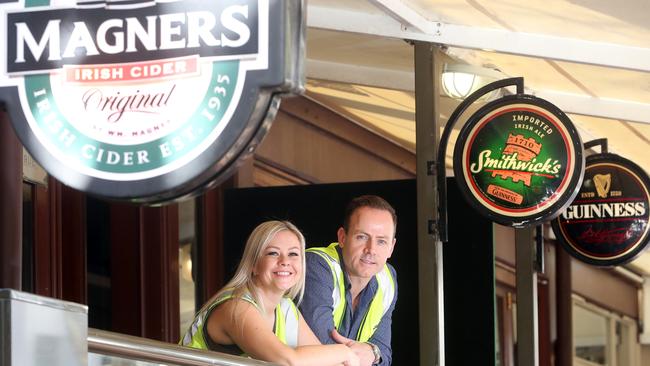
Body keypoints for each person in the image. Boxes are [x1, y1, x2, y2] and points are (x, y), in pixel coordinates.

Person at [180, 220, 359, 366]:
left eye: (293, 254)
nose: (285, 261)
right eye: (273, 253)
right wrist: (345, 352)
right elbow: (288, 360)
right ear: (253, 265)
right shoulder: (236, 307)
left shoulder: (285, 308)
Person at [300, 195, 398, 366]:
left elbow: (384, 354)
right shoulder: (317, 265)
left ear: (391, 247)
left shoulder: (388, 279)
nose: (371, 249)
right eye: (361, 237)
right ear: (342, 237)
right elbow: (323, 347)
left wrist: (373, 353)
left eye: (381, 241)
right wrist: (367, 354)